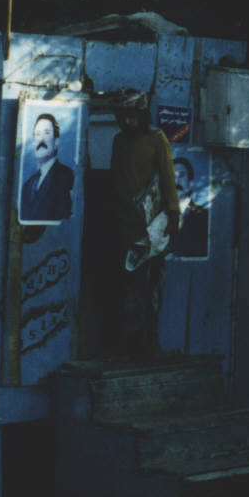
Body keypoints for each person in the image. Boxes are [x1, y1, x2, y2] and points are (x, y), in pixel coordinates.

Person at [105, 90, 179, 357]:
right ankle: (128, 347)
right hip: (125, 228)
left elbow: (168, 178)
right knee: (127, 291)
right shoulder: (118, 142)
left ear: (142, 115)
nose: (126, 122)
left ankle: (149, 346)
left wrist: (173, 215)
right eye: (122, 117)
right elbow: (116, 183)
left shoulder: (157, 139)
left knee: (150, 291)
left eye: (131, 116)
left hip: (153, 229)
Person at [19, 111, 75, 222]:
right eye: (37, 134)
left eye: (47, 133)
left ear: (56, 141)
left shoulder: (66, 175)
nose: (41, 139)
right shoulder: (29, 183)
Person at [171, 156, 210, 259]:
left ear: (191, 183)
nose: (177, 182)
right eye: (172, 177)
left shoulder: (205, 217)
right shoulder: (158, 215)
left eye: (182, 175)